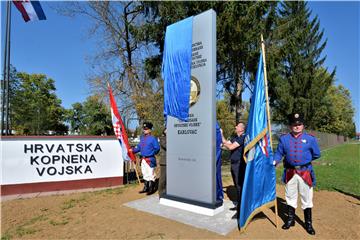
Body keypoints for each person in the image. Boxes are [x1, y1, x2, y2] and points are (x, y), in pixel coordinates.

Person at [273, 113, 320, 235]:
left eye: (299, 124)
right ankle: (290, 220)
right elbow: (279, 153)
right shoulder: (284, 139)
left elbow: (316, 154)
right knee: (290, 196)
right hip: (290, 172)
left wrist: (304, 161)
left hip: (305, 172)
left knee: (307, 198)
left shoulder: (310, 139)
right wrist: (275, 160)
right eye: (294, 124)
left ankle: (308, 224)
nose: (297, 126)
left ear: (303, 125)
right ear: (290, 126)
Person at [221, 122, 247, 215]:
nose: (235, 127)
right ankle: (240, 205)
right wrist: (221, 134)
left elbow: (231, 147)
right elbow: (226, 143)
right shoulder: (235, 138)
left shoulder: (243, 138)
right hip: (234, 164)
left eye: (237, 126)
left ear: (242, 129)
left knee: (240, 185)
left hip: (239, 165)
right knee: (237, 185)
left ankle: (241, 207)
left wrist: (225, 144)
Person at [131, 122, 160, 195]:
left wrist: (151, 153)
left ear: (150, 130)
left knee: (150, 174)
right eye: (144, 129)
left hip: (150, 159)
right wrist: (132, 150)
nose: (145, 130)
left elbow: (157, 148)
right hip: (143, 159)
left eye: (146, 129)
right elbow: (138, 148)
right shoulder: (142, 138)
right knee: (145, 174)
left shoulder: (153, 139)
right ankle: (146, 188)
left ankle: (151, 188)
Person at [158, 128, 167, 197]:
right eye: (166, 129)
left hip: (170, 161)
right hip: (164, 161)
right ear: (164, 131)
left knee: (168, 178)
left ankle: (166, 192)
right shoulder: (162, 138)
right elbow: (166, 146)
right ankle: (161, 194)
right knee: (163, 178)